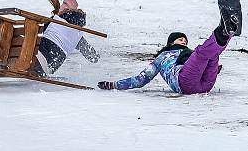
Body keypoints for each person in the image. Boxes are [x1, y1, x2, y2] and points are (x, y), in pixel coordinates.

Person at [0, 0, 100, 83]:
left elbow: (37, 28)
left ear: (70, 9)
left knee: (9, 32)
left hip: (36, 58)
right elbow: (93, 57)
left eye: (65, 4)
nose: (62, 5)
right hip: (44, 68)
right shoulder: (79, 33)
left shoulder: (56, 20)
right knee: (12, 35)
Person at [96, 14, 239, 94]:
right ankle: (224, 31)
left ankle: (228, 31)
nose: (183, 41)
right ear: (171, 42)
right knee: (201, 52)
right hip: (185, 83)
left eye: (185, 40)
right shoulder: (162, 58)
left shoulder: (187, 53)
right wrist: (115, 85)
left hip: (206, 84)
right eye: (180, 39)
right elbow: (141, 79)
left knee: (212, 54)